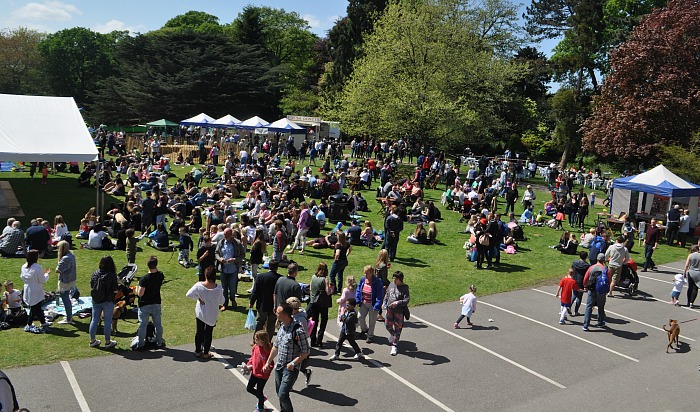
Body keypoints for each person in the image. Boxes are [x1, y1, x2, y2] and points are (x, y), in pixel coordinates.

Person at [262, 304, 310, 412]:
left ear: (286, 315)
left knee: (283, 394)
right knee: (279, 393)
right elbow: (276, 346)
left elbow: (306, 351)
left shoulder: (298, 331)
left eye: (278, 313)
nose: (276, 314)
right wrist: (268, 362)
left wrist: (293, 363)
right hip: (279, 366)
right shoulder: (281, 327)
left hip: (290, 369)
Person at [186, 266, 224, 359]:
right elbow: (222, 301)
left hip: (201, 313)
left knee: (199, 332)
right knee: (208, 333)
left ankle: (198, 351)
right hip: (212, 314)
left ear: (205, 275)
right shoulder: (218, 288)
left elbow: (188, 294)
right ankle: (206, 352)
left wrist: (198, 298)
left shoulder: (199, 286)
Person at [135, 256, 165, 351]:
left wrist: (136, 288)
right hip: (156, 303)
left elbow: (140, 294)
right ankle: (159, 342)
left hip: (145, 304)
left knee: (143, 325)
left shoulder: (144, 279)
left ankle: (140, 344)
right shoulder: (160, 275)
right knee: (158, 324)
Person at [88, 255, 118, 348]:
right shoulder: (112, 276)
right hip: (108, 301)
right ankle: (108, 342)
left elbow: (92, 285)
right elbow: (115, 290)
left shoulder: (95, 273)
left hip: (96, 300)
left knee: (94, 320)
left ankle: (92, 340)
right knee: (108, 321)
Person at [250, 259, 282, 339]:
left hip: (262, 304)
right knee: (271, 324)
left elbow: (255, 291)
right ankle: (268, 340)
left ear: (268, 267)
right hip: (274, 305)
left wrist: (252, 302)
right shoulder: (280, 278)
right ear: (277, 268)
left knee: (260, 322)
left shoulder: (261, 276)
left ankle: (256, 339)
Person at [21, 250, 51, 332]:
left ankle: (43, 322)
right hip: (36, 290)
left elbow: (23, 278)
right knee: (34, 308)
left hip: (27, 288)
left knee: (37, 307)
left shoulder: (24, 266)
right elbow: (42, 280)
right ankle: (29, 323)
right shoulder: (37, 267)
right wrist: (47, 274)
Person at [244, 331, 273, 412]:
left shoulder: (268, 350)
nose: (255, 340)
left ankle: (260, 408)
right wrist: (249, 365)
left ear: (262, 340)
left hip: (263, 376)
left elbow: (271, 363)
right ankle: (262, 398)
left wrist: (267, 368)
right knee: (249, 388)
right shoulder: (255, 347)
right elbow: (252, 358)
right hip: (254, 373)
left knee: (260, 391)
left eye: (256, 339)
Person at [329, 297, 364, 362]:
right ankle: (336, 354)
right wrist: (343, 316)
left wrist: (342, 315)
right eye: (346, 305)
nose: (346, 306)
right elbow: (343, 319)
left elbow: (347, 320)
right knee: (339, 343)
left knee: (352, 342)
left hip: (349, 332)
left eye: (348, 305)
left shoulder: (353, 314)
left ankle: (359, 352)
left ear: (353, 306)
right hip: (344, 330)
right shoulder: (347, 312)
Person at [216, 228, 244, 310]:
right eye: (224, 234)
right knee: (224, 288)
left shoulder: (237, 243)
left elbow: (242, 255)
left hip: (233, 269)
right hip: (223, 268)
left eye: (227, 235)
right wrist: (220, 259)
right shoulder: (221, 242)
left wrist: (234, 259)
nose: (225, 236)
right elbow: (216, 253)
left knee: (232, 287)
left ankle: (232, 299)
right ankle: (225, 304)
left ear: (231, 234)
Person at [383, 271, 410, 356]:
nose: (394, 280)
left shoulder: (405, 288)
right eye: (393, 278)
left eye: (396, 278)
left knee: (398, 328)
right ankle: (393, 335)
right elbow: (387, 294)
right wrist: (384, 302)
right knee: (387, 325)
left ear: (400, 279)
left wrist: (398, 302)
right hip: (389, 309)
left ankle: (394, 345)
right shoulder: (391, 285)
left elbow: (406, 300)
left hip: (399, 312)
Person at [355, 265, 383, 343]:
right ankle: (364, 329)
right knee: (360, 317)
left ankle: (370, 335)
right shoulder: (363, 279)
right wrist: (358, 299)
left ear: (371, 273)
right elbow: (358, 289)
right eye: (364, 273)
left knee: (372, 321)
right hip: (364, 303)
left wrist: (377, 305)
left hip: (373, 305)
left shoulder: (378, 282)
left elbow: (379, 295)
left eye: (367, 273)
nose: (365, 275)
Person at [582, 253, 610, 331]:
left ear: (597, 259)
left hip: (592, 289)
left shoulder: (591, 268)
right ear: (603, 260)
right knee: (601, 307)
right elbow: (609, 280)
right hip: (601, 290)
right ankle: (600, 322)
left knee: (589, 307)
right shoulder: (605, 269)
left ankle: (586, 325)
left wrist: (585, 286)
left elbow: (585, 278)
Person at [307, 262, 332, 348]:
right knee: (323, 321)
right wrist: (331, 289)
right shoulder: (325, 279)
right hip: (323, 303)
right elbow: (328, 292)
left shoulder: (313, 277)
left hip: (313, 302)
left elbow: (310, 289)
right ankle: (319, 340)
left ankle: (313, 340)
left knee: (314, 321)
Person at [55, 240, 77, 324]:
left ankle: (69, 318)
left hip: (65, 281)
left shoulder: (65, 258)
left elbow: (58, 270)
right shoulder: (71, 255)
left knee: (65, 299)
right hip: (71, 279)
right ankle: (70, 315)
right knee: (67, 298)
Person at [571, 251, 590, 316]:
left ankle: (568, 306)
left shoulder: (575, 263)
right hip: (581, 282)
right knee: (579, 297)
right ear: (586, 257)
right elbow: (587, 275)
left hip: (574, 280)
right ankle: (576, 311)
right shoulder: (587, 266)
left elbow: (572, 270)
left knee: (574, 294)